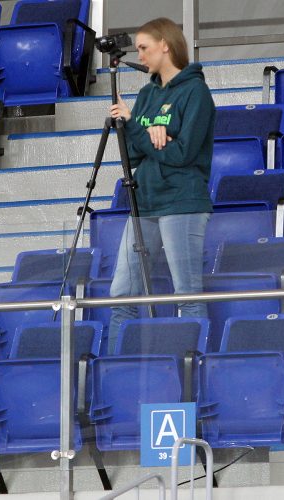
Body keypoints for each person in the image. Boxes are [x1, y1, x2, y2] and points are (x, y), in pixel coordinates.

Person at [107, 17, 216, 353]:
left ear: (165, 45)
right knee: (121, 294)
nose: (139, 55)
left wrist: (150, 134)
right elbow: (136, 156)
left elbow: (183, 153)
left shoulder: (195, 92)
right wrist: (144, 131)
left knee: (187, 293)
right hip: (145, 202)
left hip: (182, 202)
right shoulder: (147, 93)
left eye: (144, 48)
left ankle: (192, 371)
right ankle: (115, 372)